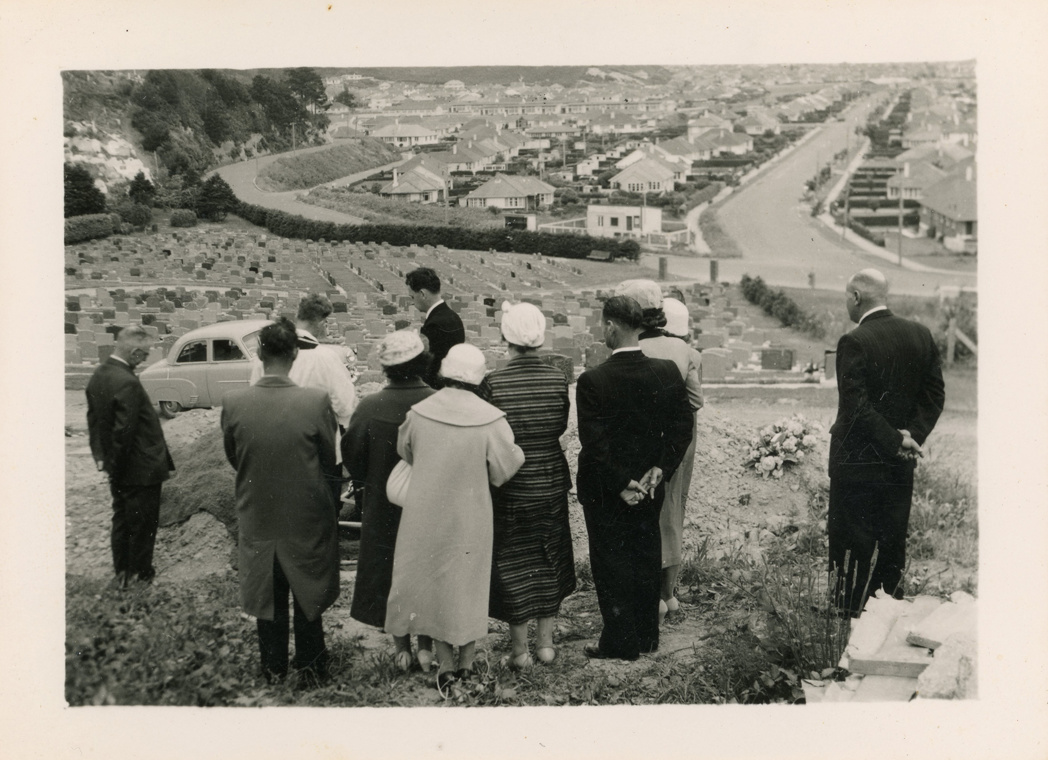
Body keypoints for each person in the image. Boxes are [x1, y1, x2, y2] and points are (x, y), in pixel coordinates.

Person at [384, 343, 525, 692]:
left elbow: (406, 451)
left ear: (444, 372)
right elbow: (504, 469)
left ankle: (444, 664)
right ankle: (466, 663)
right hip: (470, 514)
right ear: (479, 378)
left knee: (435, 584)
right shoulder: (490, 418)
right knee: (467, 586)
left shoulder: (419, 412)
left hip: (424, 512)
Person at [221, 317, 342, 683]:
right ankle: (311, 668)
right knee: (308, 591)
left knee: (267, 595)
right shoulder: (315, 400)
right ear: (294, 355)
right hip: (305, 512)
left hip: (258, 511)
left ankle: (272, 669)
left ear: (259, 353)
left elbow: (234, 456)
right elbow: (327, 458)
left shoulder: (234, 401)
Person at [576, 296, 693, 661]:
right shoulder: (666, 371)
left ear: (611, 326)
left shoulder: (593, 381)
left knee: (610, 563)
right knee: (645, 556)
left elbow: (594, 445)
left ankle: (619, 642)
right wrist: (661, 467)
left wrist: (621, 483)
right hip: (650, 485)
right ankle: (647, 636)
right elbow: (682, 427)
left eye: (602, 325)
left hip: (607, 490)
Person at [828, 269, 945, 616]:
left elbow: (855, 406)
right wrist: (911, 436)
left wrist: (895, 439)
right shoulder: (920, 335)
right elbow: (934, 395)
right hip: (899, 463)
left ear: (856, 297)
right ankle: (887, 612)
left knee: (853, 540)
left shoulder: (855, 340)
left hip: (857, 462)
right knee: (892, 540)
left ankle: (849, 613)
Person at [480, 302, 575, 669]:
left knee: (514, 562)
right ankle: (547, 644)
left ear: (506, 337)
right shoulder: (556, 379)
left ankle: (520, 651)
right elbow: (560, 426)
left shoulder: (494, 382)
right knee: (549, 557)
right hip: (550, 479)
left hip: (512, 485)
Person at [340, 331, 437, 673]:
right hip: (430, 505)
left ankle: (401, 648)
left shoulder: (369, 407)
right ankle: (426, 644)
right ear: (422, 361)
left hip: (383, 504)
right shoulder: (438, 402)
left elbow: (352, 456)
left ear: (387, 367)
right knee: (426, 569)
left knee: (390, 570)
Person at [617, 281, 704, 624]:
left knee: (644, 514)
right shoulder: (688, 354)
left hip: (642, 441)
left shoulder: (635, 348)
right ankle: (668, 594)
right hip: (680, 444)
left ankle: (648, 592)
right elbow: (696, 402)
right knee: (673, 514)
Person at [87, 325, 175, 588]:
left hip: (118, 467)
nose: (146, 358)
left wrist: (105, 461)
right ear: (135, 351)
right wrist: (121, 465)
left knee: (122, 521)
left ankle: (122, 574)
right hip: (140, 469)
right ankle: (140, 577)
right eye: (145, 353)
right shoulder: (127, 382)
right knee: (143, 526)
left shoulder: (99, 376)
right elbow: (123, 431)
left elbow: (95, 422)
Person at [249, 293, 356, 431]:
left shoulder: (268, 354)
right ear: (322, 324)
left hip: (272, 433)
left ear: (297, 317)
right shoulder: (327, 358)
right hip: (314, 436)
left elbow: (255, 398)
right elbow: (345, 406)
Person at [405, 267, 465, 388]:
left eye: (412, 297)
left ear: (422, 294)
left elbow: (430, 370)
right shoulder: (453, 316)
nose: (412, 302)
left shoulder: (434, 323)